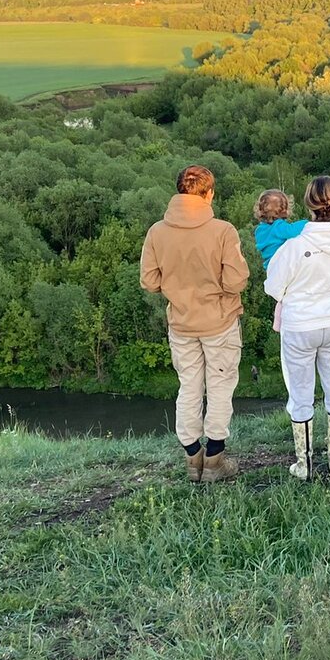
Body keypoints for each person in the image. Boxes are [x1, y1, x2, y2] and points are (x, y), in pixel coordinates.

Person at [140, 165, 249, 484]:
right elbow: (237, 280)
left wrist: (177, 288)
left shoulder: (157, 232)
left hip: (182, 323)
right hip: (219, 321)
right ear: (209, 193)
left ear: (178, 192)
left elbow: (149, 281)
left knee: (188, 387)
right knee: (219, 387)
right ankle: (215, 460)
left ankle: (193, 460)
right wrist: (215, 289)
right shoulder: (223, 230)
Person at [264, 176, 330, 481]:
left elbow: (274, 287)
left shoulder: (295, 243)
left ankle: (304, 464)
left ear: (309, 203)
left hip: (299, 325)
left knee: (301, 392)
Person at [252, 189, 308, 332]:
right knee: (288, 295)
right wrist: (309, 222)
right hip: (281, 267)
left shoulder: (260, 230)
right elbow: (293, 231)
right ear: (285, 210)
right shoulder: (279, 227)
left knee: (281, 298)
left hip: (270, 267)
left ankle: (277, 323)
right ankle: (280, 323)